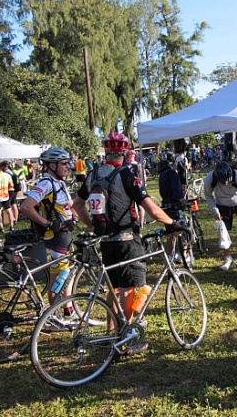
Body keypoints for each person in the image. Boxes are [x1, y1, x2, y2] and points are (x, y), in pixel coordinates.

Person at [72, 132, 179, 349]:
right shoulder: (126, 175)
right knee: (129, 289)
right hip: (127, 240)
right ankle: (125, 338)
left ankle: (110, 335)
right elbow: (152, 209)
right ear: (125, 153)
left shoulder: (92, 175)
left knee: (114, 288)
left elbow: (77, 206)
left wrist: (93, 227)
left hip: (106, 240)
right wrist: (172, 223)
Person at [20, 148, 77, 306]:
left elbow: (70, 205)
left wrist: (75, 215)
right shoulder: (46, 183)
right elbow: (25, 207)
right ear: (52, 165)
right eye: (64, 163)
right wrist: (48, 223)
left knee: (65, 272)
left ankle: (65, 308)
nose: (68, 166)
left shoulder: (59, 183)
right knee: (60, 276)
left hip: (65, 234)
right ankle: (56, 312)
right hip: (56, 236)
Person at [204, 161, 237, 271]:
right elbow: (208, 196)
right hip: (222, 204)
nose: (225, 184)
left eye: (227, 182)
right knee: (223, 231)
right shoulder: (210, 178)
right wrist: (215, 211)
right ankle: (228, 258)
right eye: (223, 182)